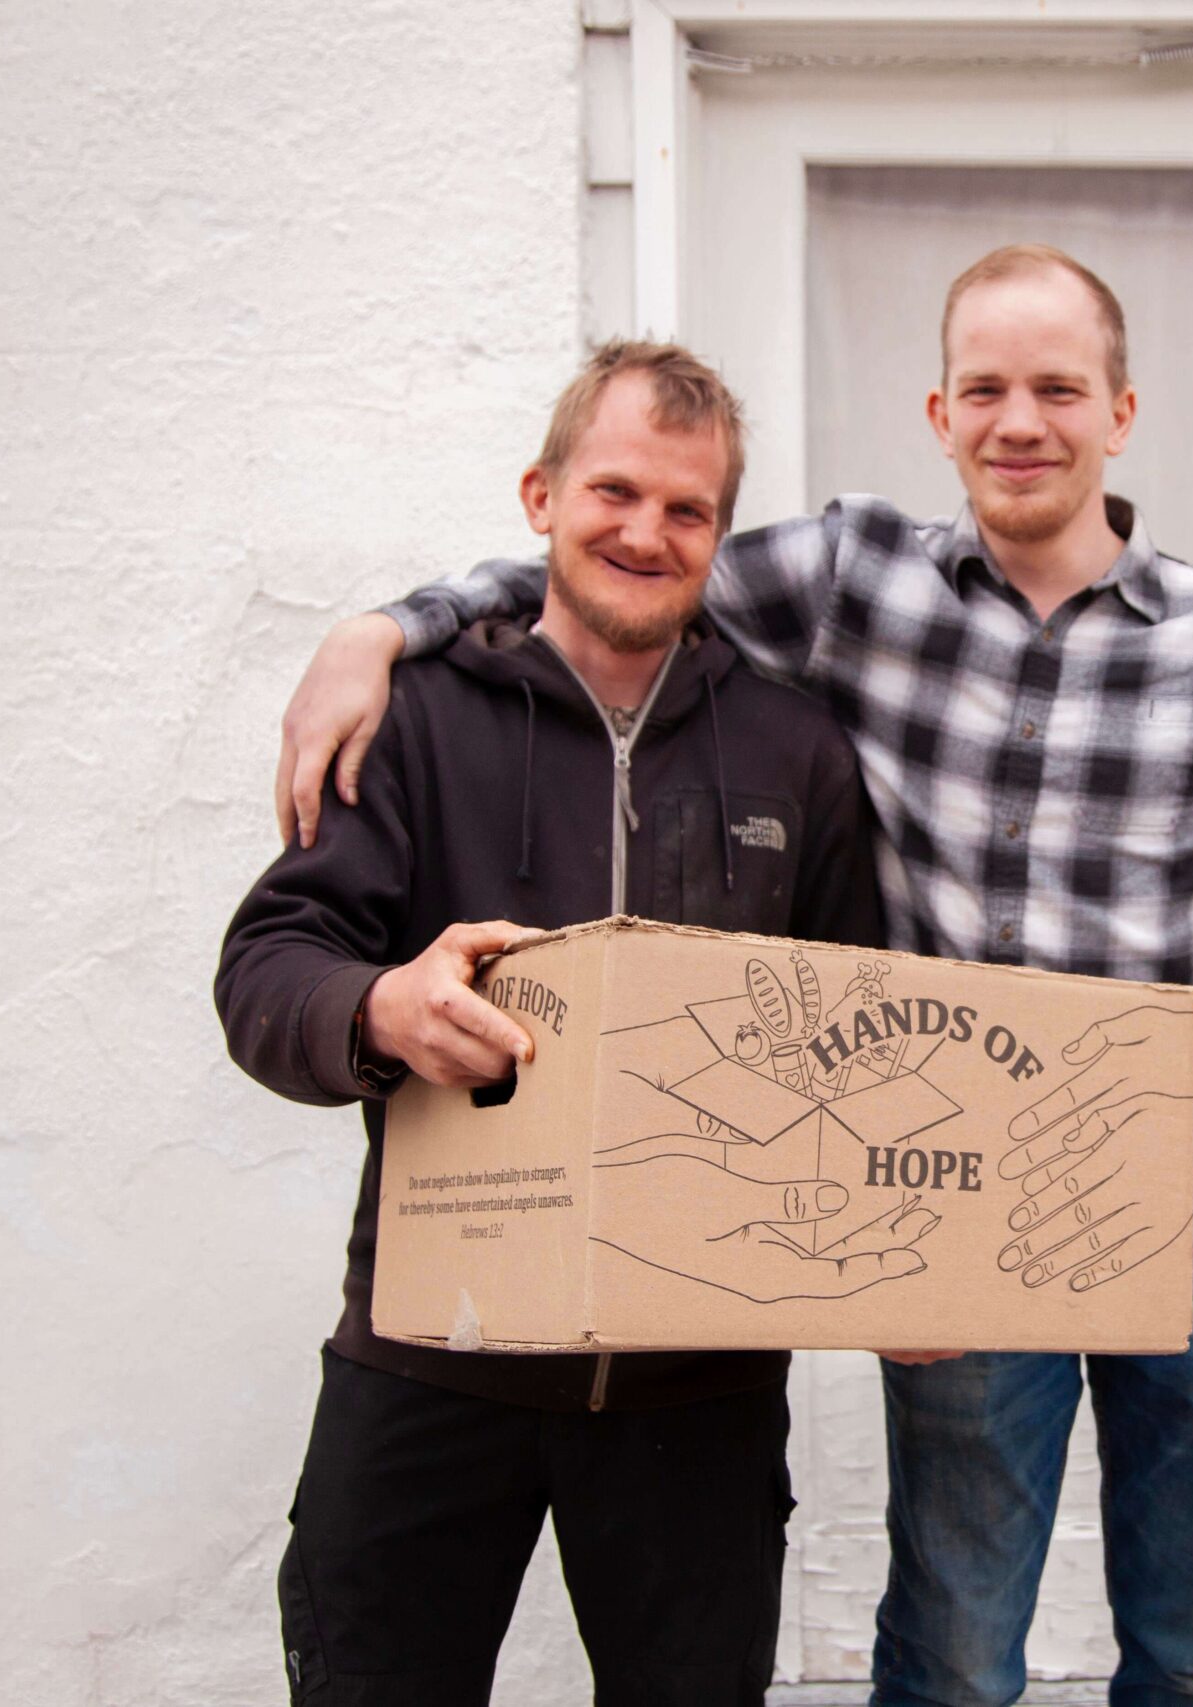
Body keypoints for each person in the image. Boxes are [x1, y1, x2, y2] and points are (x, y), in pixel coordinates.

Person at [273, 246, 1193, 1707]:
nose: (1020, 421)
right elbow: (623, 558)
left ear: (1121, 410)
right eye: (985, 388)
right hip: (971, 1209)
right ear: (937, 412)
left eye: (1058, 388)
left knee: (1191, 1646)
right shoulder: (860, 579)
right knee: (958, 1644)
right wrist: (384, 629)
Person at [217, 340, 887, 1707]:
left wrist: (894, 1263)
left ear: (720, 531)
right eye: (615, 492)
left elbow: (863, 1034)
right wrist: (381, 1006)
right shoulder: (411, 721)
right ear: (541, 497)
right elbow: (268, 965)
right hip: (429, 1357)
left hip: (695, 1390)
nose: (646, 532)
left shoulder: (792, 750)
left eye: (688, 509)